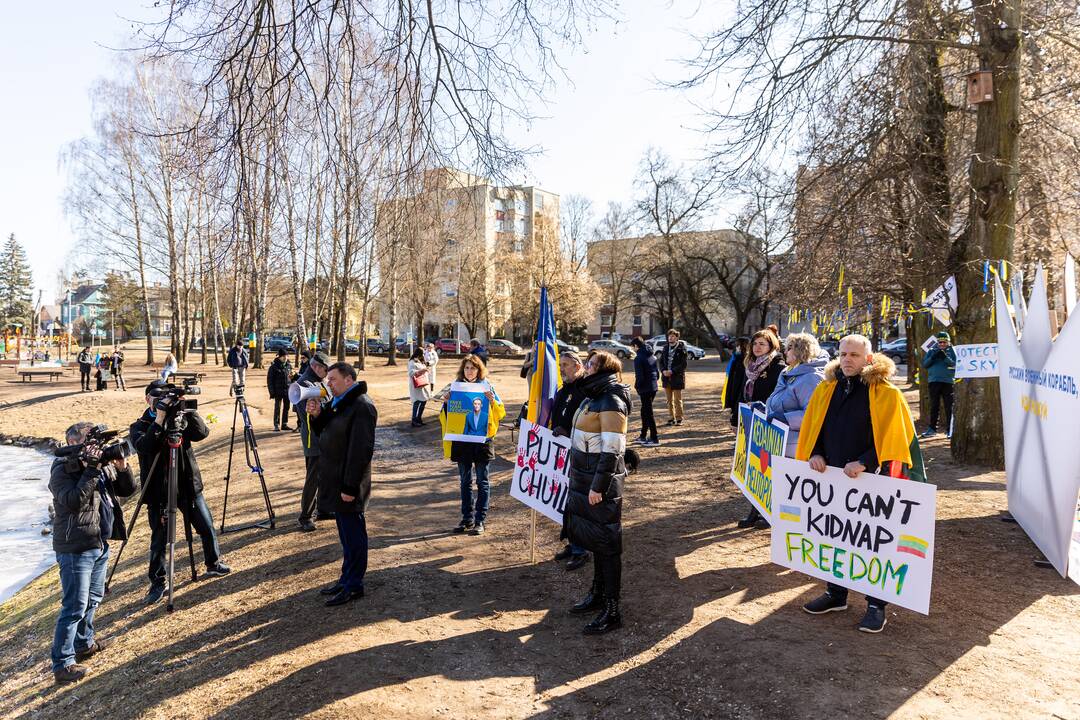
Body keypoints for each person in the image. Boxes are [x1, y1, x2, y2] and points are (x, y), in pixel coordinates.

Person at [796, 334, 920, 634]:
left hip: (872, 480)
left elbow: (894, 439)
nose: (848, 359)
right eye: (843, 354)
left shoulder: (886, 394)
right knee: (835, 536)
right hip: (833, 477)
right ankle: (835, 594)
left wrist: (865, 461)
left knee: (871, 543)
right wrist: (816, 453)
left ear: (868, 358)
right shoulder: (827, 389)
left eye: (854, 354)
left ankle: (876, 605)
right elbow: (816, 427)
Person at [48, 422, 138, 684]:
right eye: (89, 441)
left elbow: (127, 490)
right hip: (75, 546)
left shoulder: (98, 462)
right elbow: (75, 501)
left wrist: (122, 468)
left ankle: (84, 643)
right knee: (74, 605)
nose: (95, 448)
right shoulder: (61, 469)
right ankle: (62, 664)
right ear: (72, 442)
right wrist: (91, 469)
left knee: (94, 598)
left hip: (99, 541)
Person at [131, 380, 231, 604]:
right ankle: (158, 582)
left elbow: (202, 433)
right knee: (160, 538)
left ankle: (213, 563)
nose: (164, 402)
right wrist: (159, 420)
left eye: (167, 398)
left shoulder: (181, 418)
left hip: (187, 484)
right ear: (148, 399)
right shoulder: (139, 425)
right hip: (159, 492)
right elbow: (145, 447)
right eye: (158, 398)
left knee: (206, 526)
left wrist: (189, 411)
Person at [562, 350, 631, 635]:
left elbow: (613, 449)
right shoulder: (592, 395)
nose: (585, 368)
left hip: (599, 483)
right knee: (595, 540)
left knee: (607, 544)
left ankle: (612, 609)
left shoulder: (612, 399)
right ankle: (597, 594)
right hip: (583, 476)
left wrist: (598, 486)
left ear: (604, 369)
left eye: (590, 364)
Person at [306, 362, 378, 606]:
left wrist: (349, 488)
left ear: (349, 380)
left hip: (350, 485)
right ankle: (346, 578)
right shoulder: (341, 403)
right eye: (328, 380)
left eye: (333, 379)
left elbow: (361, 451)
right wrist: (316, 416)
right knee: (346, 537)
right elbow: (325, 432)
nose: (329, 384)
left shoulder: (362, 406)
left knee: (354, 536)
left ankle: (354, 585)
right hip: (337, 480)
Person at [440, 354, 505, 535]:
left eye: (473, 368)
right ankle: (466, 519)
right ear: (463, 370)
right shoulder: (456, 387)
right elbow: (447, 415)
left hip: (482, 442)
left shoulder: (487, 387)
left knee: (483, 481)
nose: (470, 371)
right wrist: (446, 403)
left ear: (479, 369)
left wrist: (492, 400)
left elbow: (501, 413)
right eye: (467, 368)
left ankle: (480, 520)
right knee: (465, 481)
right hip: (462, 442)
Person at [735, 328, 785, 528]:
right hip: (748, 419)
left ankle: (768, 511)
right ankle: (754, 510)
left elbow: (776, 396)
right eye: (755, 344)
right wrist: (735, 418)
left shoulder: (778, 367)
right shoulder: (749, 365)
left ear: (771, 346)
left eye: (762, 344)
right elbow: (741, 391)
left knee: (767, 468)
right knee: (752, 467)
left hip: (768, 423)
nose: (757, 347)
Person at [550, 351, 592, 570]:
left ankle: (581, 549)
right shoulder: (563, 389)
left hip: (580, 453)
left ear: (577, 365)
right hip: (561, 453)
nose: (562, 369)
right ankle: (572, 542)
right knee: (565, 502)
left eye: (565, 365)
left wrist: (567, 432)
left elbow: (589, 424)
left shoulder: (586, 389)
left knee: (578, 504)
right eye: (560, 365)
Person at [765, 333, 829, 457]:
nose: (785, 351)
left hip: (797, 447)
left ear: (801, 350)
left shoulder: (811, 377)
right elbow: (776, 398)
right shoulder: (788, 371)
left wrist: (786, 418)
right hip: (780, 441)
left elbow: (814, 414)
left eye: (789, 348)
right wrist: (765, 409)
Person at [293, 352, 330, 531]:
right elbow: (308, 413)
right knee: (313, 478)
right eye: (325, 369)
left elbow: (328, 398)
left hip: (324, 436)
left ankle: (322, 509)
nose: (327, 373)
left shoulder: (318, 381)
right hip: (313, 439)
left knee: (325, 475)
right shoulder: (303, 384)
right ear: (316, 367)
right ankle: (305, 516)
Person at [920, 331, 957, 438]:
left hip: (948, 381)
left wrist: (945, 357)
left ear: (948, 342)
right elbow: (925, 364)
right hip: (934, 381)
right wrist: (934, 357)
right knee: (934, 406)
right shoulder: (932, 351)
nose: (942, 344)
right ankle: (932, 429)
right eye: (940, 342)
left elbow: (955, 364)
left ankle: (950, 430)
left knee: (949, 406)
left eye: (944, 342)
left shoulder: (952, 351)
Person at [630, 337, 660, 446]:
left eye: (632, 347)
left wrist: (637, 387)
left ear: (636, 346)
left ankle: (654, 438)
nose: (632, 349)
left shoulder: (638, 358)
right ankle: (643, 436)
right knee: (644, 412)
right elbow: (657, 374)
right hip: (653, 387)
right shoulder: (652, 355)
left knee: (648, 413)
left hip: (645, 389)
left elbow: (640, 377)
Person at [658, 329, 687, 426]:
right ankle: (671, 418)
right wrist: (663, 371)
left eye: (673, 336)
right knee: (669, 400)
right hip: (666, 378)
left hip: (677, 378)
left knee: (677, 400)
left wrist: (672, 371)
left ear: (677, 337)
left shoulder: (681, 349)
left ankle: (679, 418)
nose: (670, 337)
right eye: (669, 336)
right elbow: (661, 362)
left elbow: (683, 364)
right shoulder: (665, 348)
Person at [723, 336, 751, 427]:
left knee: (737, 401)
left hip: (740, 384)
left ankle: (736, 421)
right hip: (735, 382)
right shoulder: (737, 355)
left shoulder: (746, 358)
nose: (737, 346)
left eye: (739, 344)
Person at [265, 349, 294, 431]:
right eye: (283, 356)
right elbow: (269, 380)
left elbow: (292, 378)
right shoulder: (273, 367)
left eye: (286, 356)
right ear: (279, 357)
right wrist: (272, 392)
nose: (285, 358)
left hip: (287, 391)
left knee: (287, 407)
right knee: (277, 408)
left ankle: (284, 424)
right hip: (278, 391)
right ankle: (276, 424)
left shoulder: (289, 366)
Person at [408, 347, 433, 427]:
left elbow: (424, 369)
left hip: (424, 384)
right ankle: (414, 420)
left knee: (424, 401)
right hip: (416, 385)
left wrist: (426, 370)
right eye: (422, 353)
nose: (424, 355)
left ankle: (419, 418)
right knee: (417, 402)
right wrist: (422, 371)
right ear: (418, 353)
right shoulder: (412, 362)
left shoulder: (421, 361)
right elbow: (411, 373)